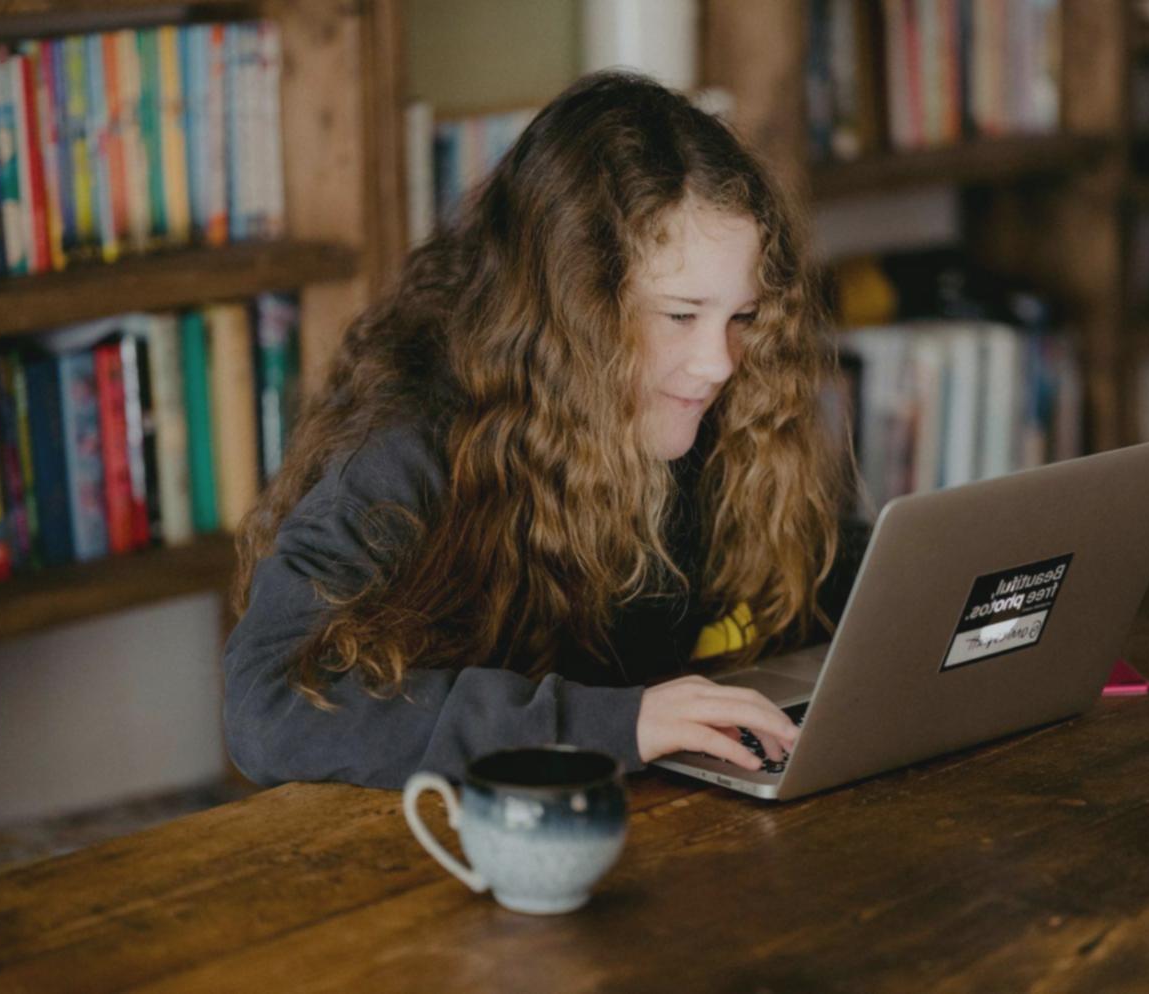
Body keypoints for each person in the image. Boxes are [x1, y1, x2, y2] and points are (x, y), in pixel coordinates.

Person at [223, 70, 868, 790]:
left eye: (741, 317)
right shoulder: (412, 441)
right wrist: (615, 724)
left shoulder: (712, 411)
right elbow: (269, 705)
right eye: (679, 316)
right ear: (572, 310)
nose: (717, 364)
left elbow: (827, 572)